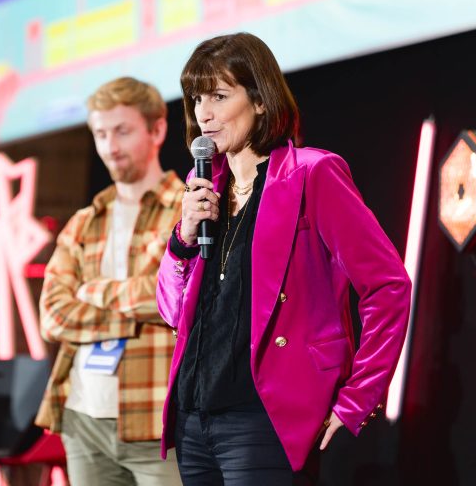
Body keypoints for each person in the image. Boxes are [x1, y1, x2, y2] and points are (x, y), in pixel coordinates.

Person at [155, 33, 411, 485]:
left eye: (218, 95)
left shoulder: (312, 174)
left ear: (259, 100)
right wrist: (183, 238)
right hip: (194, 418)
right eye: (196, 98)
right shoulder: (205, 192)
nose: (204, 113)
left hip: (263, 419)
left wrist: (358, 397)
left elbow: (388, 286)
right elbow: (173, 311)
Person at [36, 77, 185, 486]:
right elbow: (52, 316)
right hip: (83, 416)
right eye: (100, 134)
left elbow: (173, 298)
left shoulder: (188, 208)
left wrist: (92, 291)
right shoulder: (85, 221)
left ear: (157, 129)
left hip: (157, 419)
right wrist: (135, 316)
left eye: (122, 131)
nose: (110, 146)